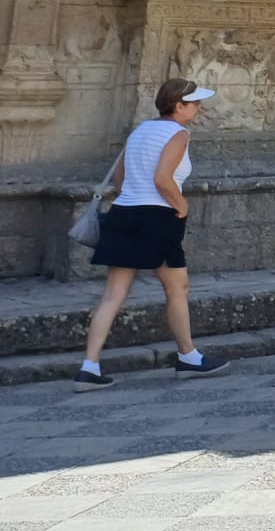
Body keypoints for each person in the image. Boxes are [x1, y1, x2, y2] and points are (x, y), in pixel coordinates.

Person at [75, 79, 231, 391]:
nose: (198, 108)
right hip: (157, 216)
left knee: (112, 294)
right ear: (179, 105)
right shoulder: (179, 133)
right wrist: (182, 205)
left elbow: (120, 176)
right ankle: (188, 356)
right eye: (194, 103)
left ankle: (89, 367)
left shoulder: (140, 130)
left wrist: (132, 196)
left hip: (124, 213)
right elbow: (163, 178)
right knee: (177, 287)